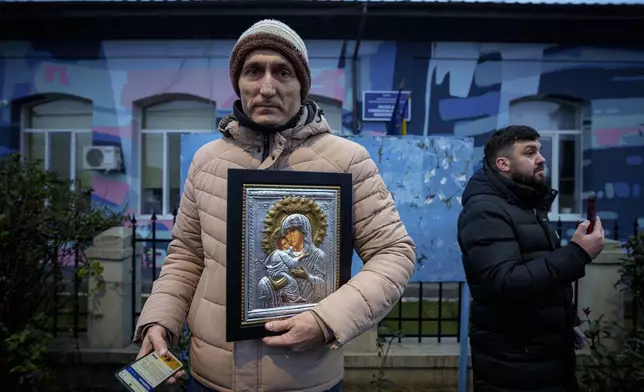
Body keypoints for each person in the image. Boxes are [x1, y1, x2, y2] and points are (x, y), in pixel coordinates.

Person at [133, 19, 416, 392]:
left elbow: (393, 253)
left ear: (302, 85)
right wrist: (159, 321)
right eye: (254, 71)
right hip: (211, 378)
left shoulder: (346, 161)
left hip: (303, 379)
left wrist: (325, 320)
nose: (267, 87)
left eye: (282, 72)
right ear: (238, 83)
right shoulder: (208, 161)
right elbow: (187, 255)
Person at [457, 125, 604, 392]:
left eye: (540, 150)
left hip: (545, 355)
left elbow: (540, 272)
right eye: (530, 152)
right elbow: (505, 281)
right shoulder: (485, 211)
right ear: (503, 164)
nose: (541, 158)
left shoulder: (524, 205)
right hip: (515, 362)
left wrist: (566, 322)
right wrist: (578, 253)